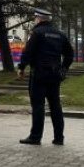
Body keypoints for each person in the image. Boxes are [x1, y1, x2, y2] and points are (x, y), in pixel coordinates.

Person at [17, 8, 73, 146]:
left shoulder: (37, 33)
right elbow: (70, 54)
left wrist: (21, 67)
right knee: (55, 105)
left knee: (38, 106)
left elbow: (28, 52)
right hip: (55, 74)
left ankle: (35, 137)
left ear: (39, 19)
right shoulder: (60, 34)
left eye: (35, 18)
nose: (35, 20)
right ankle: (59, 138)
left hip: (39, 74)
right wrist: (64, 68)